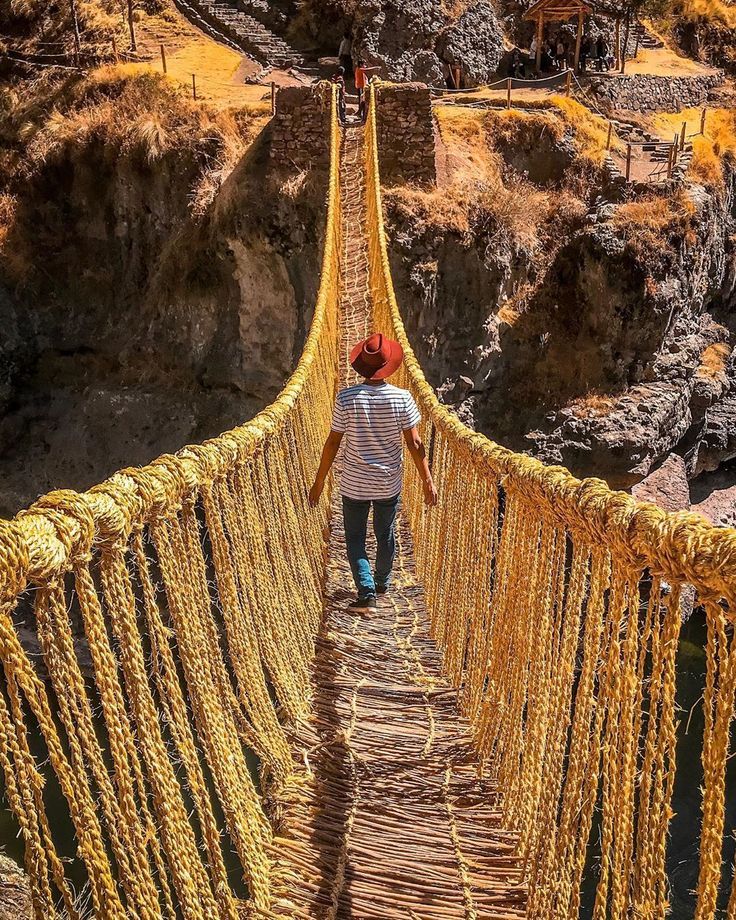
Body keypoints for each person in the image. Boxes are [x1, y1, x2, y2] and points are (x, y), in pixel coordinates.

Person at [308, 333, 438, 611]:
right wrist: (427, 480)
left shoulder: (346, 398)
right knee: (385, 533)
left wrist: (319, 482)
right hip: (387, 482)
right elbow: (415, 444)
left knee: (355, 538)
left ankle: (366, 592)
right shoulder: (402, 398)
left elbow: (333, 442)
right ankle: (381, 583)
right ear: (389, 365)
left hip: (354, 484)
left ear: (362, 366)